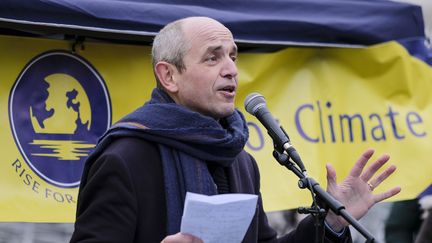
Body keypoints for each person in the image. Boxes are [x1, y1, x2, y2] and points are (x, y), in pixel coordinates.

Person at [70, 16, 401, 243]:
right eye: (213, 58)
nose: (231, 70)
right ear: (169, 76)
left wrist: (332, 223)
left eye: (233, 57)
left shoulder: (239, 160)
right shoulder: (124, 158)